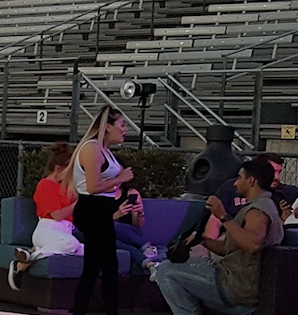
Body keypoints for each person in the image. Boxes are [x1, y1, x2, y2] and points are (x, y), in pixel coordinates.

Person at [153, 159, 285, 315]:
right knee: (180, 267)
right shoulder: (261, 205)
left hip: (235, 285)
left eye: (239, 178)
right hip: (232, 276)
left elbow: (253, 244)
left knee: (164, 271)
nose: (236, 183)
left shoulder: (258, 210)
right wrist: (202, 240)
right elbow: (228, 249)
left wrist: (223, 216)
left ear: (251, 181)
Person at [72, 107, 134, 315]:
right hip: (91, 210)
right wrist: (121, 179)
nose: (126, 130)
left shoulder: (106, 151)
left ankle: (101, 310)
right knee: (98, 267)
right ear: (107, 127)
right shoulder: (92, 149)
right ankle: (84, 310)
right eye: (122, 125)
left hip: (101, 210)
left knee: (107, 267)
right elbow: (92, 187)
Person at [10, 142, 84, 290]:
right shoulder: (45, 185)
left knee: (86, 251)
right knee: (71, 245)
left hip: (64, 232)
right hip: (48, 230)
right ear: (58, 169)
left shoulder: (67, 187)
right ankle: (29, 258)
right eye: (69, 171)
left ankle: (28, 258)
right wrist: (78, 202)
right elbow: (57, 215)